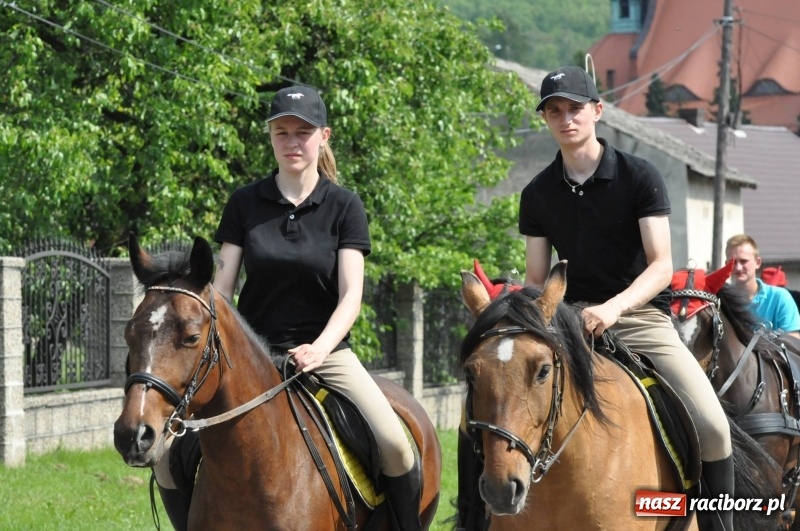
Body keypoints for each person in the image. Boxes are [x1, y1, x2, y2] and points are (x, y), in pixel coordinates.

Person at [155, 86, 422, 531]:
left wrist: (319, 348)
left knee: (395, 443)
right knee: (165, 457)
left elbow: (351, 293)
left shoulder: (344, 206)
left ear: (324, 137)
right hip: (248, 359)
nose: (292, 142)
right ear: (271, 139)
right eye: (282, 132)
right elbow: (220, 287)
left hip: (326, 354)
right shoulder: (245, 203)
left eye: (303, 132)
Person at [517, 66, 733, 530]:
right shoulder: (536, 193)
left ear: (597, 110)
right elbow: (537, 280)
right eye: (554, 111)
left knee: (714, 428)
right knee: (490, 415)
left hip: (638, 320)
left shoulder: (639, 175)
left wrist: (614, 307)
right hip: (566, 327)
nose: (565, 118)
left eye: (575, 108)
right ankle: (479, 516)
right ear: (546, 119)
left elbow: (660, 266)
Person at [726, 234, 800, 339]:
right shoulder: (721, 302)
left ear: (757, 263)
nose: (738, 267)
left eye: (743, 261)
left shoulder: (780, 298)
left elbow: (794, 342)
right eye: (732, 262)